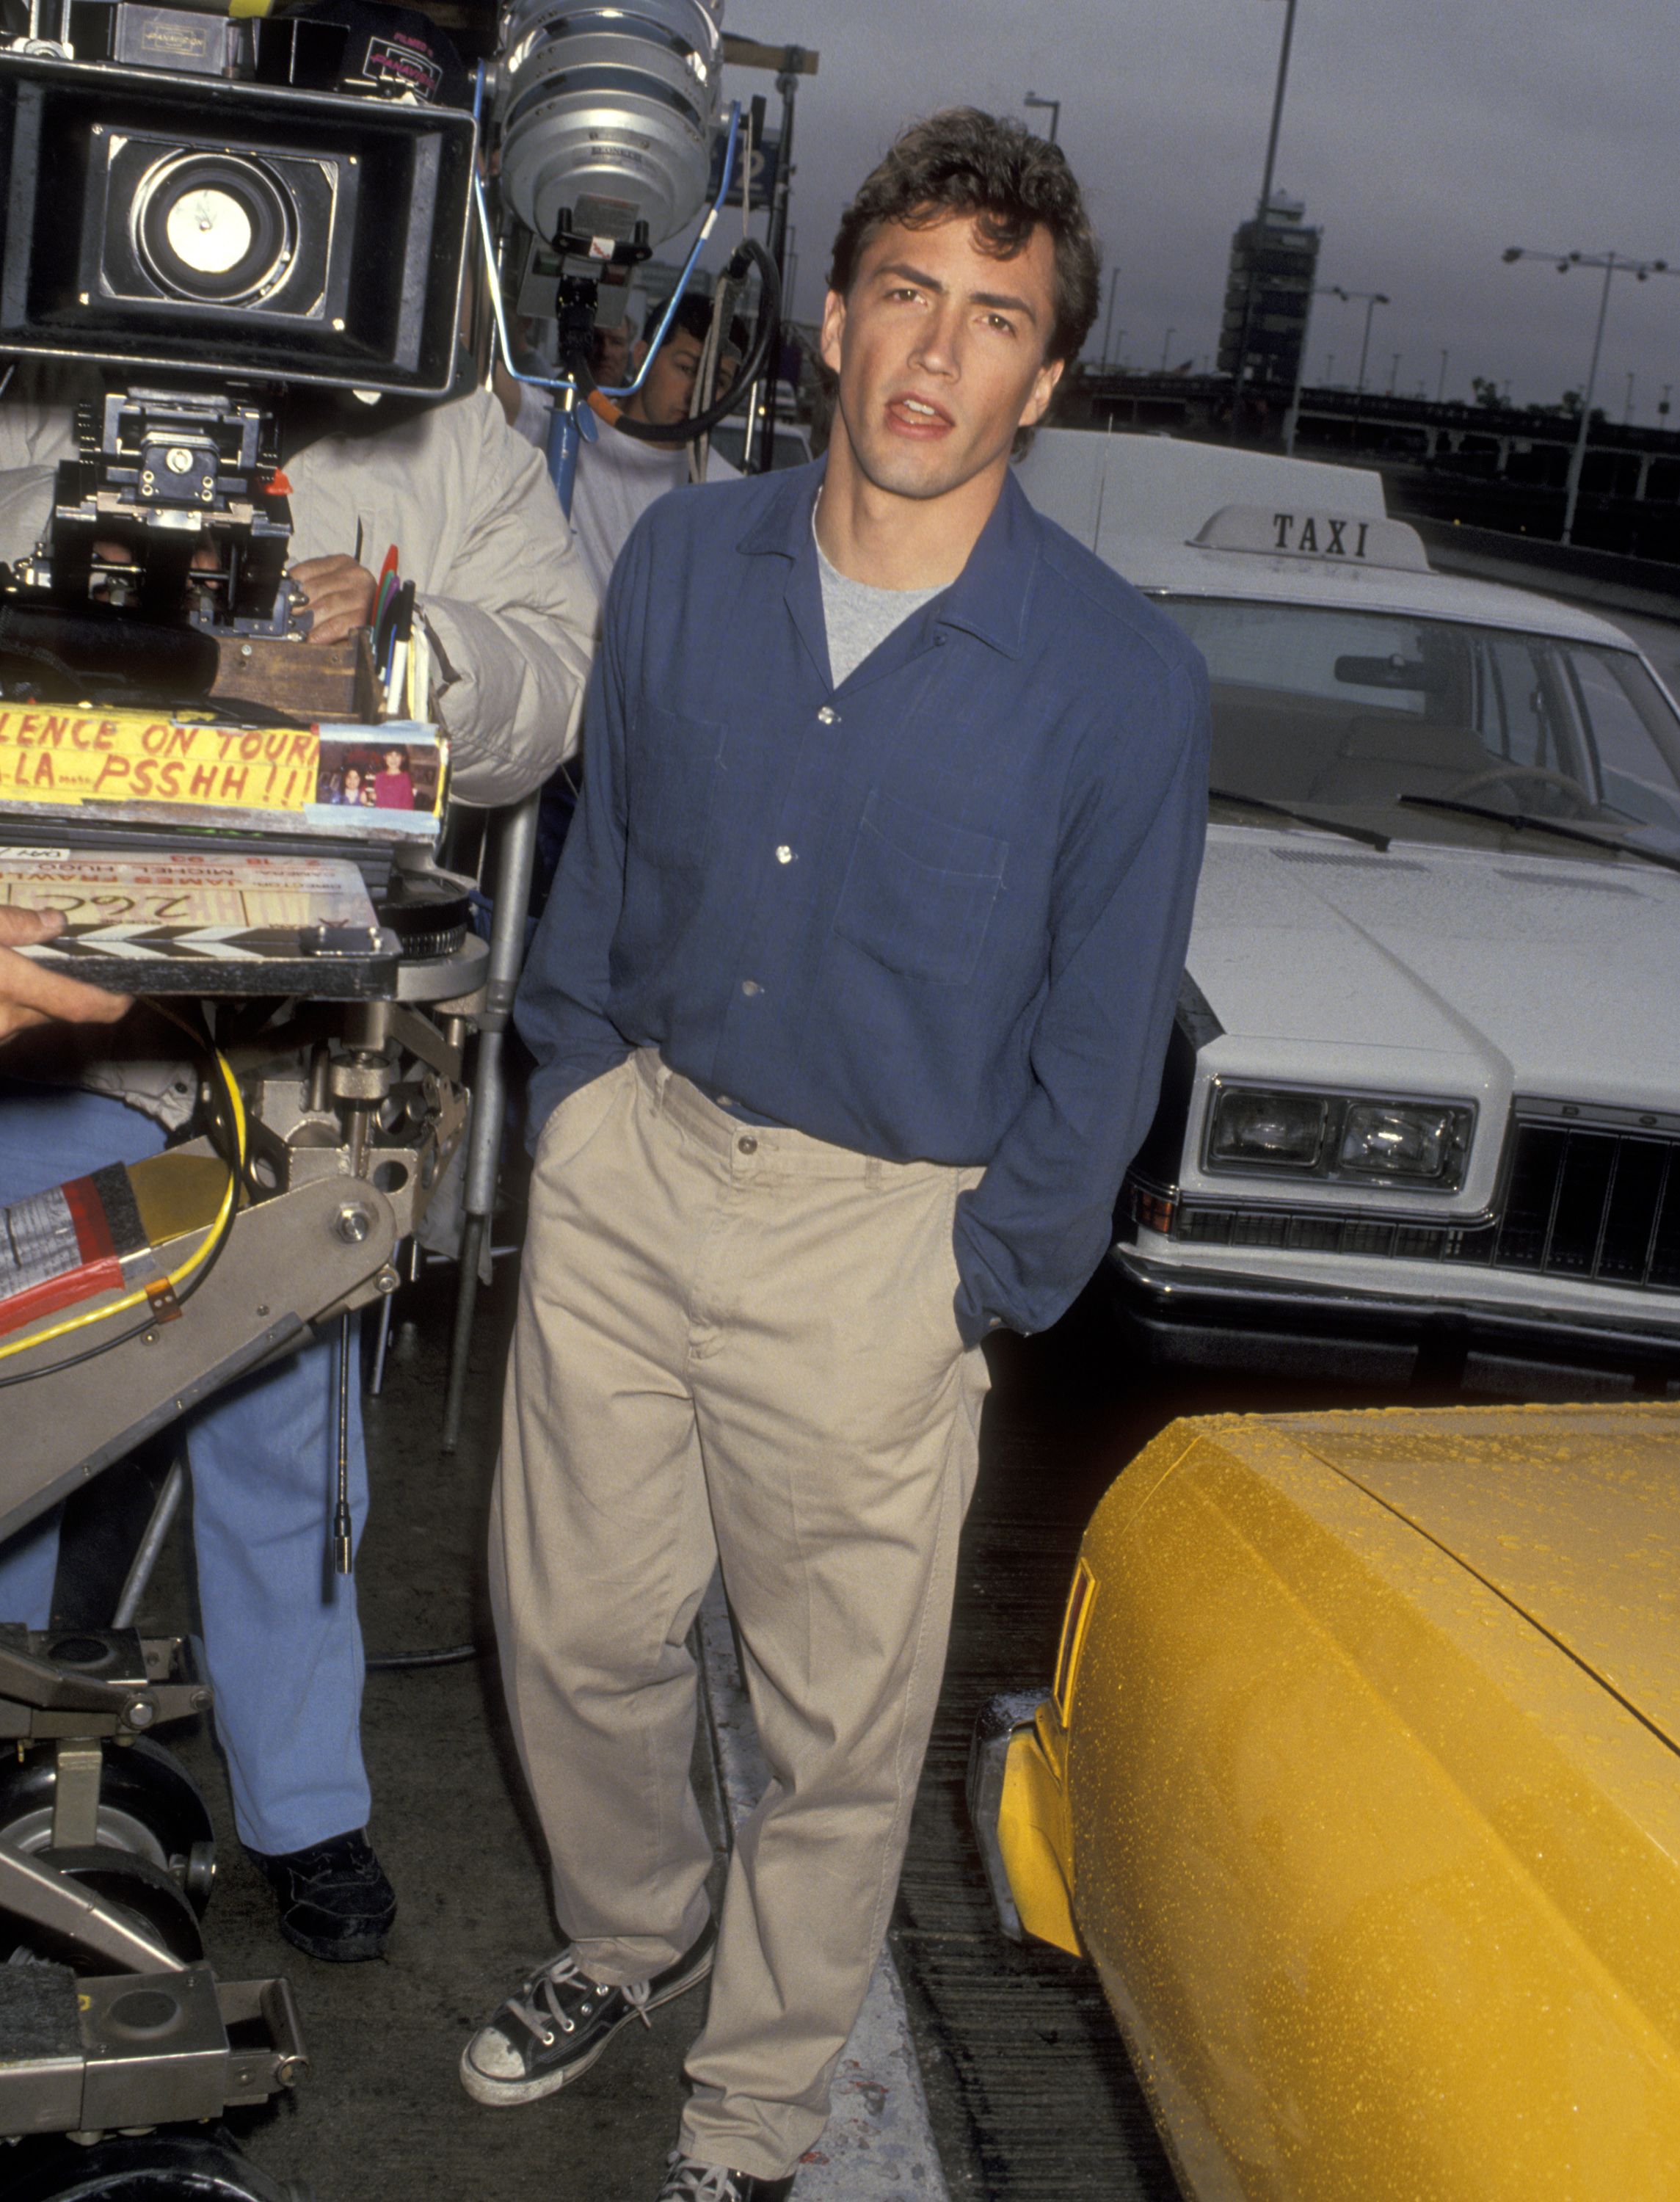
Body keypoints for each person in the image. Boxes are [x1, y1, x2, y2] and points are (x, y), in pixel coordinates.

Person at [463, 109, 1210, 2201]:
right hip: (634, 1170)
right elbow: (601, 869)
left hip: (885, 1249)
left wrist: (982, 1282)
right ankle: (628, 1931)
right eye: (904, 294)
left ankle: (759, 2108)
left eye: (993, 320)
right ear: (830, 315)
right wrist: (576, 1095)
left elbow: (1106, 1025)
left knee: (835, 1739)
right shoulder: (689, 562)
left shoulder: (1119, 682)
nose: (934, 354)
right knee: (576, 1641)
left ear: (1043, 382)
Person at [0, 367, 597, 1960]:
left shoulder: (454, 436)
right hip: (50, 1014)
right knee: (19, 1398)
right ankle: (4, 1761)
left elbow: (553, 687)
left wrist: (411, 644)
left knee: (294, 1447)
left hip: (296, 1043)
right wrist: (91, 593)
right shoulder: (58, 379)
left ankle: (305, 1808)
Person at [566, 292, 747, 606]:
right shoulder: (572, 429)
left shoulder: (731, 495)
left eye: (716, 381)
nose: (696, 394)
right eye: (686, 369)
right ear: (642, 356)